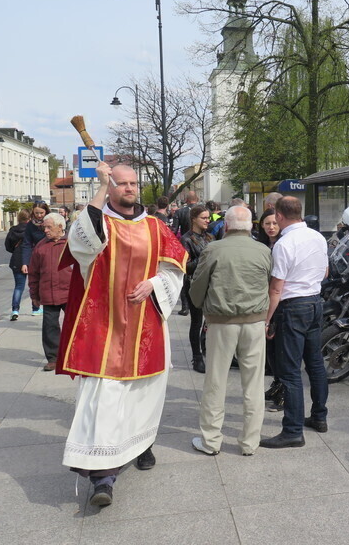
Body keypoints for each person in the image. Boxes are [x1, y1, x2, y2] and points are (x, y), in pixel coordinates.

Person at [56, 162, 186, 508]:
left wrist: (154, 283)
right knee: (104, 400)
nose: (129, 188)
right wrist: (99, 185)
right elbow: (81, 241)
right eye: (121, 183)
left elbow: (175, 269)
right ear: (111, 188)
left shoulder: (156, 227)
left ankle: (142, 445)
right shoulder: (100, 222)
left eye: (133, 183)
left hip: (146, 325)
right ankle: (103, 477)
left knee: (144, 395)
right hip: (103, 326)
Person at [189, 206, 272, 456]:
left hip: (221, 322)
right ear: (251, 226)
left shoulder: (213, 249)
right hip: (255, 321)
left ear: (226, 226)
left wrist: (201, 304)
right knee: (254, 383)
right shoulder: (264, 250)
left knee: (215, 381)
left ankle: (211, 440)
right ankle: (249, 442)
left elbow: (197, 287)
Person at [260, 196, 329, 449]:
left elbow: (276, 288)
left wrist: (267, 320)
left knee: (289, 371)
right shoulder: (318, 237)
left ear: (279, 216)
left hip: (293, 306)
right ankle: (319, 416)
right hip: (315, 302)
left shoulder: (283, 243)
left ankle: (292, 430)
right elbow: (325, 272)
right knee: (315, 364)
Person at [28, 212, 72, 371]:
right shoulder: (40, 246)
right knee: (50, 327)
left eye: (48, 227)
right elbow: (33, 272)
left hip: (70, 293)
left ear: (60, 227)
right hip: (48, 293)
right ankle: (53, 358)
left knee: (74, 325)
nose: (45, 230)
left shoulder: (72, 243)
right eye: (44, 227)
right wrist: (34, 294)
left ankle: (74, 354)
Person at [179, 205, 214, 373]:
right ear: (194, 219)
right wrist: (204, 257)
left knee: (211, 321)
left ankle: (206, 348)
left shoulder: (210, 237)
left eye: (208, 217)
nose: (208, 220)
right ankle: (197, 357)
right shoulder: (186, 239)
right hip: (194, 284)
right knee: (196, 321)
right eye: (204, 218)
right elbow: (185, 267)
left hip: (211, 284)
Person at [256, 209, 283, 410]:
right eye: (267, 223)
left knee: (280, 349)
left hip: (280, 301)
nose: (271, 227)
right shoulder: (261, 245)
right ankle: (277, 383)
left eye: (274, 223)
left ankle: (283, 391)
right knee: (270, 349)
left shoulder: (282, 245)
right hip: (263, 299)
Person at [22, 202, 50, 315]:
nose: (39, 215)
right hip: (36, 257)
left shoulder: (50, 221)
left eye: (41, 213)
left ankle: (49, 305)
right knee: (35, 281)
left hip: (50, 254)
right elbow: (26, 244)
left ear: (46, 211)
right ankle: (36, 307)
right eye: (36, 213)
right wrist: (25, 262)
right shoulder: (30, 225)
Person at [5, 209, 30, 321]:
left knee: (19, 287)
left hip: (16, 260)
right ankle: (35, 308)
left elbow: (8, 246)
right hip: (30, 259)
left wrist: (16, 251)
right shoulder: (31, 230)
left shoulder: (13, 230)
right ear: (30, 218)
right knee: (34, 285)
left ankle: (15, 310)